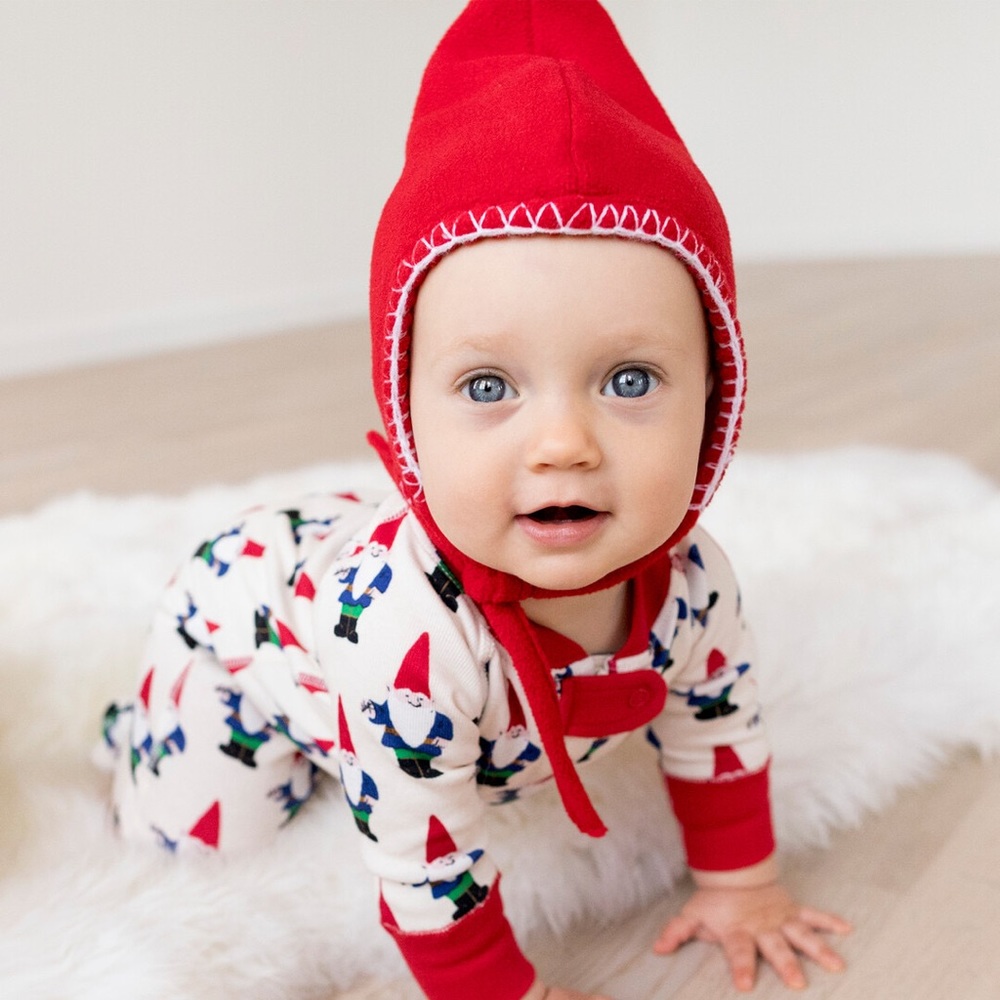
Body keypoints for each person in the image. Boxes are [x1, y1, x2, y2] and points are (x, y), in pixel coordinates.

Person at [102, 2, 851, 997]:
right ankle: (142, 724)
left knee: (404, 753)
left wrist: (742, 883)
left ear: (715, 395)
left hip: (376, 648)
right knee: (194, 844)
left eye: (628, 380)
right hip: (242, 629)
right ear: (405, 411)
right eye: (489, 387)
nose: (562, 445)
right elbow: (423, 862)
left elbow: (716, 720)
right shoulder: (406, 636)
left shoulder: (694, 583)